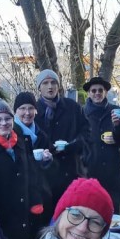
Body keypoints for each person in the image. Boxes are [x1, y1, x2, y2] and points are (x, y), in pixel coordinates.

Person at [0, 97, 45, 239]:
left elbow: (31, 173)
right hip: (2, 217)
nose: (4, 123)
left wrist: (36, 200)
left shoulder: (20, 142)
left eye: (8, 118)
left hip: (25, 213)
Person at [34, 68, 88, 211]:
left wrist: (74, 145)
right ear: (39, 87)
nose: (50, 86)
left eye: (53, 82)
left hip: (72, 169)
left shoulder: (73, 107)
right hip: (47, 174)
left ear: (58, 86)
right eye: (45, 83)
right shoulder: (33, 110)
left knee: (74, 212)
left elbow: (86, 132)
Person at [81, 76, 120, 211]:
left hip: (112, 169)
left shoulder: (117, 111)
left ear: (105, 92)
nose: (97, 93)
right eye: (93, 91)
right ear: (89, 93)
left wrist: (116, 136)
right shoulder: (81, 113)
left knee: (113, 209)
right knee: (91, 209)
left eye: (100, 90)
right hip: (90, 167)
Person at [13, 91, 54, 233]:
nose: (27, 112)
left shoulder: (41, 135)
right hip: (21, 197)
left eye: (31, 108)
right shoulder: (11, 134)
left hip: (42, 194)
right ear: (16, 111)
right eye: (22, 108)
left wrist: (48, 161)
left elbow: (50, 168)